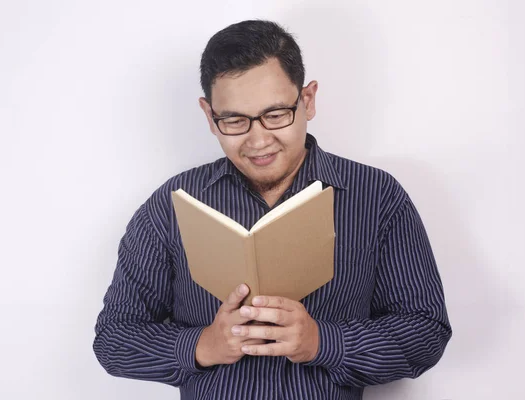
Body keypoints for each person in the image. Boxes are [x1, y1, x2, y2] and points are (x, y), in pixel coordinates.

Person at [93, 20, 452, 400]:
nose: (259, 140)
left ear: (308, 100)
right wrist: (204, 346)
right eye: (234, 121)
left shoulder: (377, 196)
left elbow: (425, 333)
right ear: (208, 115)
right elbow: (115, 340)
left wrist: (320, 341)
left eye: (277, 114)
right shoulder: (170, 205)